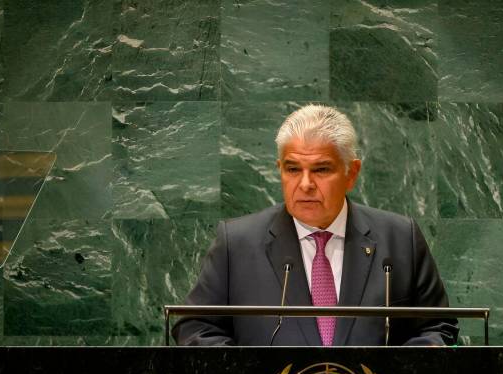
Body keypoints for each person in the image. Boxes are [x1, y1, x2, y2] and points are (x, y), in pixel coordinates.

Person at [172, 104, 459, 346]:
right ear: (280, 170)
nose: (305, 184)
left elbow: (438, 326)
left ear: (351, 173)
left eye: (321, 169)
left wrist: (395, 373)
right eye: (293, 169)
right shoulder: (236, 243)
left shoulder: (399, 238)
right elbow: (194, 326)